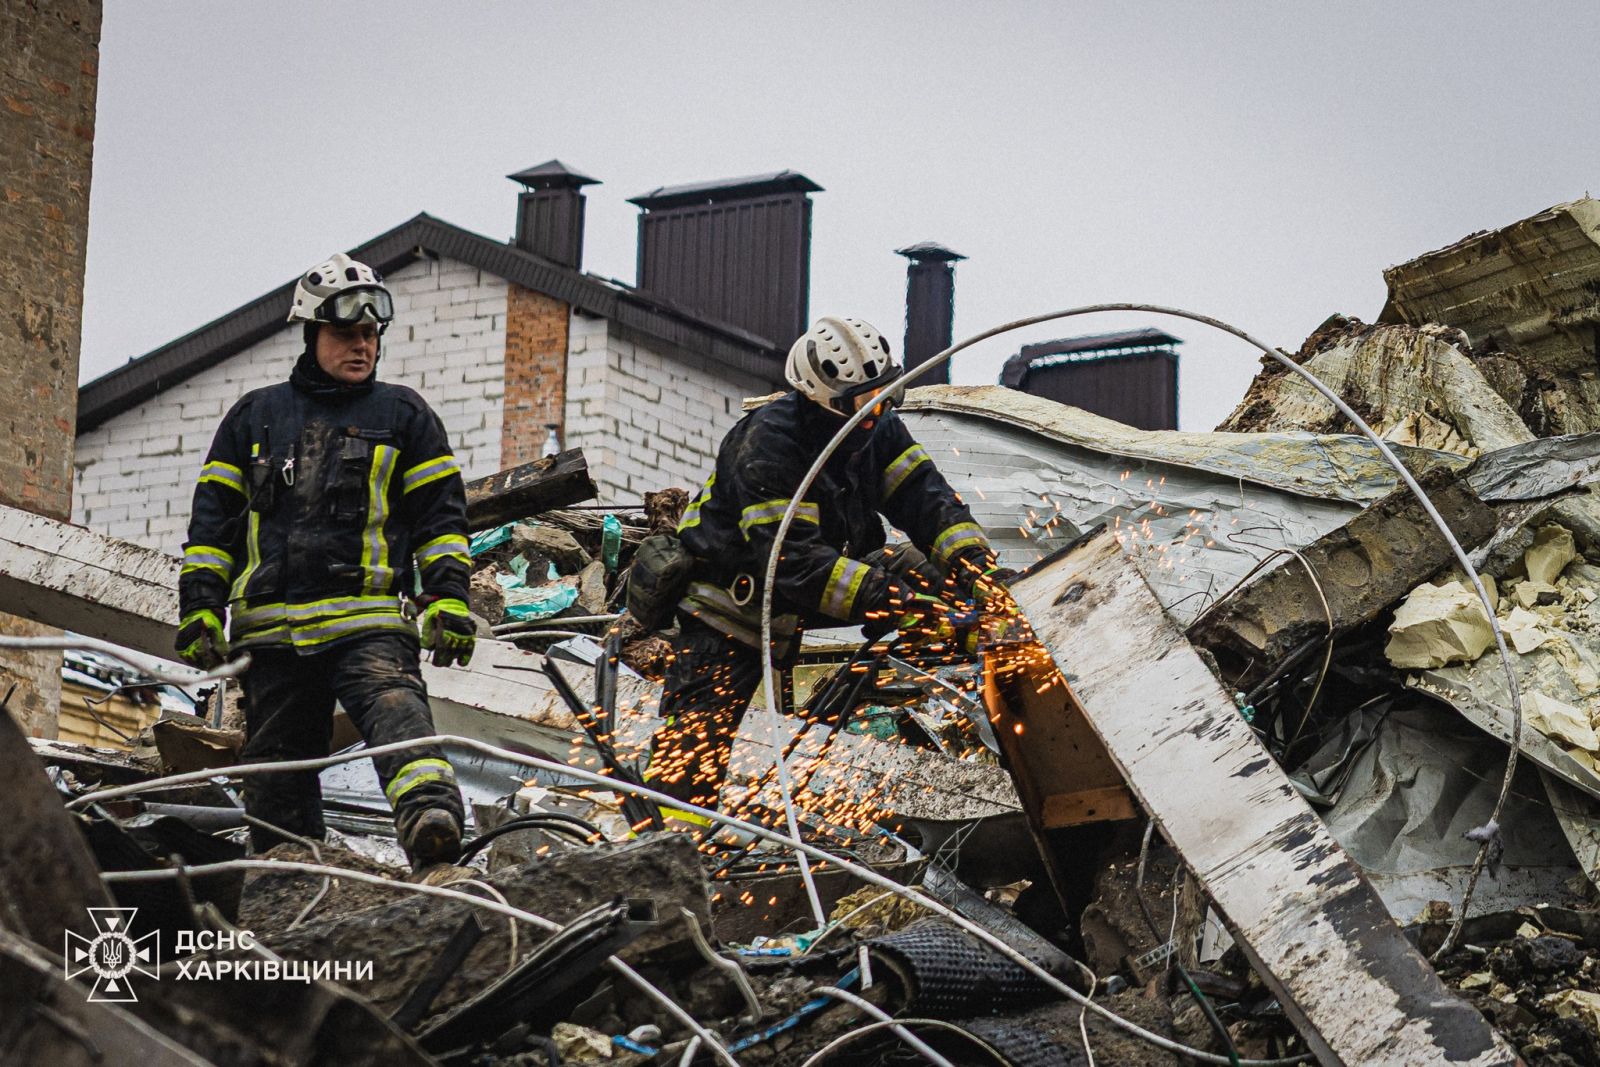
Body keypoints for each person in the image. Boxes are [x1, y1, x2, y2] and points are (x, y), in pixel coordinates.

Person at [175, 252, 476, 870]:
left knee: (398, 716)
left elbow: (441, 523)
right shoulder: (255, 418)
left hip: (365, 623)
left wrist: (448, 597)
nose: (362, 345)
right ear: (313, 334)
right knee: (273, 777)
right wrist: (200, 609)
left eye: (371, 334)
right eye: (346, 333)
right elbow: (212, 530)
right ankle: (294, 891)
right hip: (270, 634)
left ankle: (432, 827)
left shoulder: (404, 417)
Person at [648, 315, 1008, 815]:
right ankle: (665, 851)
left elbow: (928, 501)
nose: (875, 413)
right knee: (692, 755)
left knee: (929, 574)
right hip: (733, 609)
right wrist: (895, 603)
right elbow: (794, 566)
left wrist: (978, 568)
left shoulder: (876, 427)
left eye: (885, 395)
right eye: (863, 402)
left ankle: (989, 662)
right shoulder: (768, 444)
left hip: (816, 581)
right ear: (824, 399)